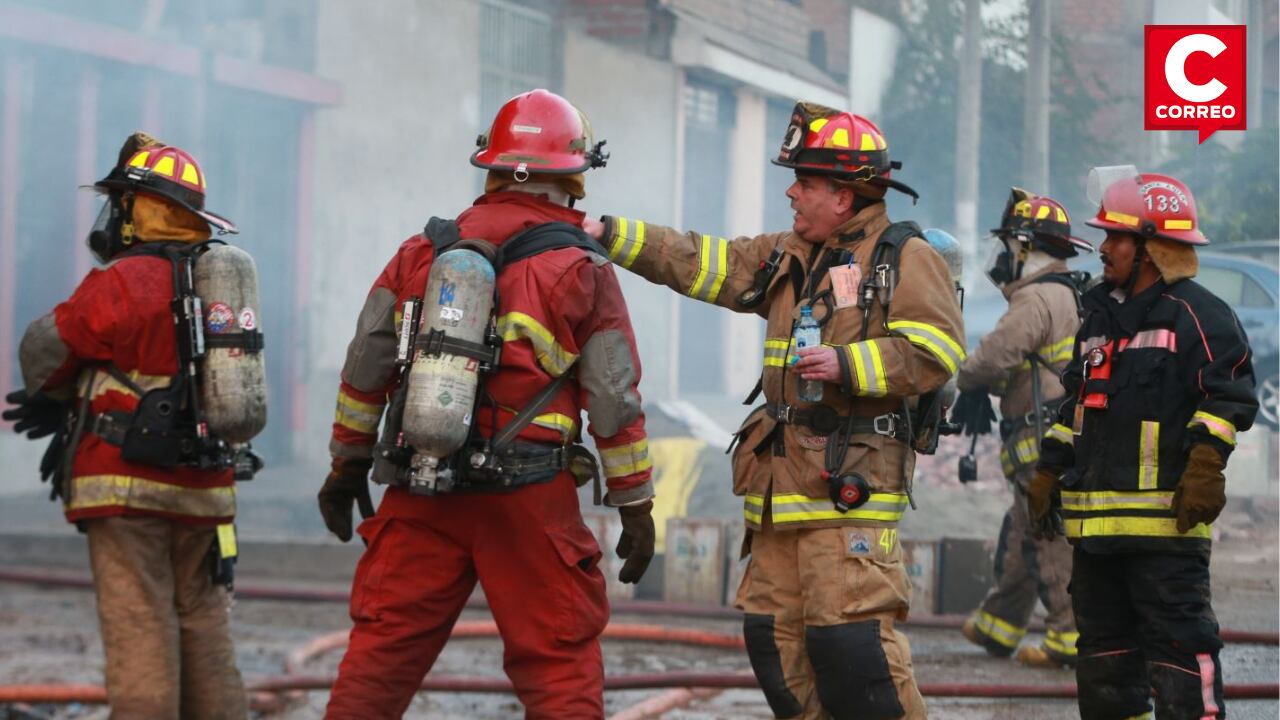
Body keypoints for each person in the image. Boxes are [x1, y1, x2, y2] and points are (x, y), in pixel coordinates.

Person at [584, 102, 964, 719]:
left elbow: (938, 350)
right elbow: (702, 260)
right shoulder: (791, 253)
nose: (791, 191)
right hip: (778, 497)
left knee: (852, 649)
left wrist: (849, 365)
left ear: (844, 196)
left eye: (805, 182)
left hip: (850, 493)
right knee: (773, 642)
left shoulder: (904, 257)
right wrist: (611, 235)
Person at [318, 88, 655, 719]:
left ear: (492, 168)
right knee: (558, 666)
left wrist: (345, 466)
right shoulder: (582, 268)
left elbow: (364, 368)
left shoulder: (422, 253)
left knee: (379, 660)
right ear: (573, 180)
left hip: (422, 487)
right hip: (528, 501)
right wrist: (634, 501)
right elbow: (613, 399)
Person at [3, 133, 249, 718]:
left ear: (139, 211)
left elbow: (50, 345)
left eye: (120, 204)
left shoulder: (121, 280)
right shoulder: (222, 281)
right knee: (205, 625)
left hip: (126, 487)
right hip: (209, 489)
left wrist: (54, 393)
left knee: (140, 624)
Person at [1030, 168, 1257, 719]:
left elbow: (1228, 396)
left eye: (1116, 237)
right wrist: (1049, 469)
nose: (1103, 248)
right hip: (1097, 538)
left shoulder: (1198, 315)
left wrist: (1207, 463)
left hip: (1163, 535)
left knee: (1181, 653)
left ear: (1151, 248)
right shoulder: (1099, 319)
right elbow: (1076, 407)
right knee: (1104, 662)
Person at [956, 189, 1089, 667]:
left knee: (1047, 536)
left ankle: (1068, 641)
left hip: (1041, 438)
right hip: (1055, 433)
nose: (1004, 258)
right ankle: (1000, 624)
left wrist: (965, 379)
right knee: (1024, 530)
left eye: (1010, 247)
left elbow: (995, 355)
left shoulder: (1035, 297)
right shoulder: (1070, 291)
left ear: (1027, 249)